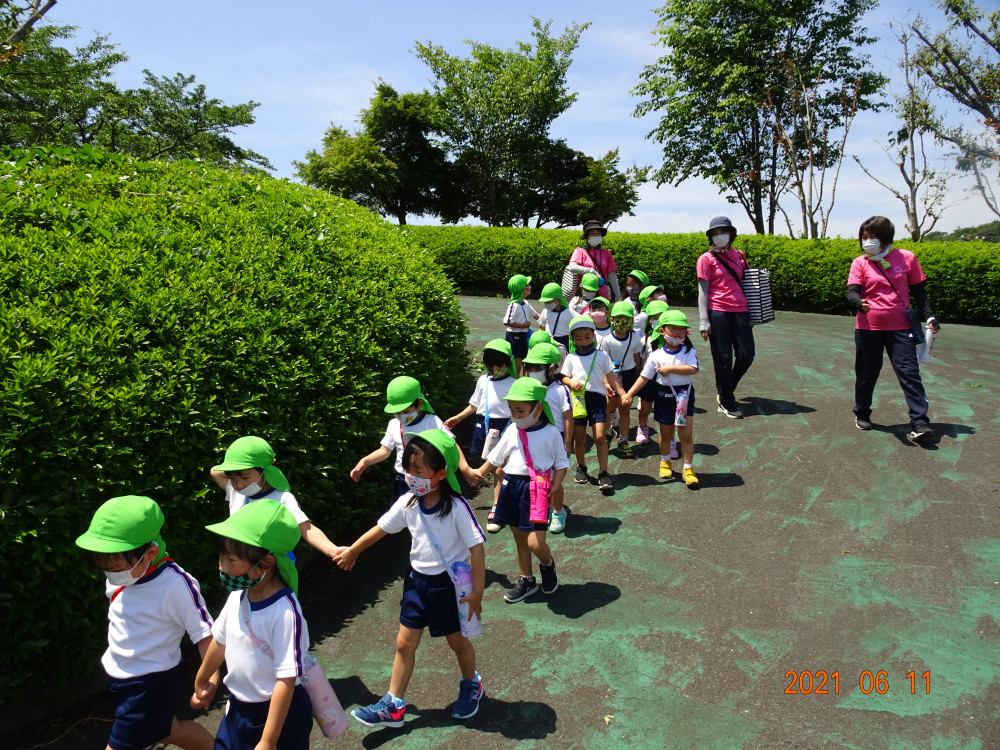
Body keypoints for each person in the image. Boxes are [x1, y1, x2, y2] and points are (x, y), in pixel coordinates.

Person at [335, 430, 486, 726]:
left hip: (447, 587)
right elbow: (380, 529)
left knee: (457, 642)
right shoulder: (408, 502)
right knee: (404, 644)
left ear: (441, 473)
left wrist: (477, 592)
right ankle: (393, 704)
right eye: (407, 469)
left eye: (418, 471)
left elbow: (477, 548)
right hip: (417, 583)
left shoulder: (456, 508)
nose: (410, 476)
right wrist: (353, 551)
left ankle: (472, 683)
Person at [76, 495, 216, 750]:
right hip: (122, 674)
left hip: (148, 682)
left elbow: (206, 635)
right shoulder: (124, 575)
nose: (110, 572)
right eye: (103, 564)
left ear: (150, 553)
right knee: (169, 730)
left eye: (116, 565)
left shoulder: (175, 584)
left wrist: (210, 678)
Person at [194, 500, 312, 749]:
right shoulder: (239, 594)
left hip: (277, 714)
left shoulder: (285, 612)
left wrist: (268, 741)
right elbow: (220, 640)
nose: (221, 566)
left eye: (231, 559)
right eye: (221, 556)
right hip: (238, 707)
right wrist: (203, 677)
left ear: (266, 563)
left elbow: (286, 680)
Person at [473, 378, 568, 602]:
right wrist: (479, 473)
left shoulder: (551, 433)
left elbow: (561, 464)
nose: (515, 415)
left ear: (538, 408)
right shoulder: (512, 430)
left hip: (537, 488)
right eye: (512, 410)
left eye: (520, 410)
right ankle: (527, 579)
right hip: (512, 487)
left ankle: (547, 564)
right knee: (519, 538)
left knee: (535, 542)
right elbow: (496, 458)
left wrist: (555, 486)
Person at [847, 216, 940, 441]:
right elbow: (852, 291)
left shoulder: (906, 258)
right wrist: (858, 303)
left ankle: (919, 421)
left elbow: (919, 292)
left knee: (909, 373)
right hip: (869, 328)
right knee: (867, 373)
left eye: (873, 237)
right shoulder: (860, 262)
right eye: (864, 237)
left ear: (886, 237)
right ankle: (862, 412)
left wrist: (930, 316)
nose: (867, 242)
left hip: (901, 328)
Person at [210, 436, 342, 561]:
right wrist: (236, 465)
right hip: (241, 566)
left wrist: (333, 550)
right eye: (232, 478)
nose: (238, 484)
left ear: (264, 471)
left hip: (273, 569)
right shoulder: (237, 492)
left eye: (245, 477)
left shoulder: (282, 498)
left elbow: (306, 529)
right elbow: (215, 471)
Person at [351, 376, 476, 502]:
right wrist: (365, 461)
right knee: (402, 517)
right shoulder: (394, 424)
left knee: (430, 516)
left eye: (406, 411)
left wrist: (465, 469)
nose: (401, 416)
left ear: (419, 404)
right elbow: (384, 451)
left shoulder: (432, 421)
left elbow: (451, 445)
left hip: (429, 480)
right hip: (403, 481)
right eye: (397, 413)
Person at [445, 339, 516, 532]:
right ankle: (503, 499)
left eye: (498, 364)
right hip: (485, 428)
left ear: (507, 363)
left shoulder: (514, 384)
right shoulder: (483, 380)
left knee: (500, 469)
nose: (493, 369)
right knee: (496, 469)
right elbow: (475, 405)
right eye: (489, 365)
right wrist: (458, 419)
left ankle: (497, 508)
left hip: (506, 428)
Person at [625, 311, 700, 486]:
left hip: (684, 395)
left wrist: (670, 369)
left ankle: (688, 469)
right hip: (664, 395)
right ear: (662, 331)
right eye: (673, 328)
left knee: (686, 435)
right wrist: (629, 394)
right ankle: (665, 461)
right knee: (666, 434)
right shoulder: (656, 355)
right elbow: (644, 377)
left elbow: (693, 368)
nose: (678, 332)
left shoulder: (689, 350)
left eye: (682, 329)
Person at [561, 315, 628, 490]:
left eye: (587, 337)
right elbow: (563, 377)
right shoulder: (571, 358)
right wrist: (570, 382)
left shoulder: (602, 355)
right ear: (572, 339)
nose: (583, 341)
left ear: (594, 335)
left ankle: (603, 472)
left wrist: (623, 394)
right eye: (578, 338)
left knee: (599, 436)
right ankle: (581, 466)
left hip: (598, 400)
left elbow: (612, 377)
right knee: (580, 436)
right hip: (578, 400)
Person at [697, 216, 754, 419]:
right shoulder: (706, 259)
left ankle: (724, 389)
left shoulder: (739, 255)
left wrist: (754, 315)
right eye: (716, 233)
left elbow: (747, 284)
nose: (720, 236)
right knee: (722, 358)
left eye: (724, 231)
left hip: (741, 310)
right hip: (718, 311)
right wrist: (704, 321)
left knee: (747, 355)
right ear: (711, 237)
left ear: (731, 234)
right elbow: (703, 290)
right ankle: (727, 401)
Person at [522, 343, 573, 533]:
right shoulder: (529, 389)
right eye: (531, 367)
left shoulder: (560, 390)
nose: (533, 371)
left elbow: (568, 418)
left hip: (556, 439)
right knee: (536, 476)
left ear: (552, 368)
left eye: (538, 368)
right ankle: (544, 507)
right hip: (534, 437)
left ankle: (558, 511)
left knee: (554, 480)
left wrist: (567, 443)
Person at [601, 301, 644, 458]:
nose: (623, 322)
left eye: (627, 318)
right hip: (612, 376)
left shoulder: (634, 338)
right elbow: (603, 363)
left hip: (629, 375)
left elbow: (637, 358)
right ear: (611, 320)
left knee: (625, 408)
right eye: (619, 318)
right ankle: (607, 433)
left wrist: (638, 377)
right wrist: (605, 383)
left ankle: (623, 440)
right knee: (609, 406)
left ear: (632, 321)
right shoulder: (606, 340)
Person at [634, 300, 669, 450]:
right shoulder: (645, 340)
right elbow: (641, 361)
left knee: (667, 410)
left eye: (660, 316)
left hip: (668, 380)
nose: (657, 320)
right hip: (649, 378)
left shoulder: (674, 340)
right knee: (645, 408)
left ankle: (669, 437)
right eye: (653, 317)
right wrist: (638, 377)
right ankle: (642, 428)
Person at [567, 219, 620, 302]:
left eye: (598, 233)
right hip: (584, 294)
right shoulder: (579, 251)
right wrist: (590, 271)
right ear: (586, 236)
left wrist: (618, 294)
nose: (596, 236)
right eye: (592, 233)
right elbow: (572, 267)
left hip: (602, 295)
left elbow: (612, 275)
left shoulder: (606, 253)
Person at [503, 274, 538, 375]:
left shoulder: (525, 303)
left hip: (523, 334)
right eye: (527, 285)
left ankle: (525, 378)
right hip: (514, 336)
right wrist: (523, 326)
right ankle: (516, 377)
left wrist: (547, 316)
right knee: (517, 358)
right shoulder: (514, 305)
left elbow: (536, 315)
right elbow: (507, 321)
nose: (529, 287)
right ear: (522, 290)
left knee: (525, 356)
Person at [537, 282, 572, 349]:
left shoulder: (569, 312)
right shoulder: (545, 311)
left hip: (564, 343)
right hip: (548, 341)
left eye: (548, 302)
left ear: (558, 300)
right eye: (545, 302)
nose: (546, 304)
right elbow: (541, 328)